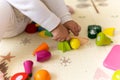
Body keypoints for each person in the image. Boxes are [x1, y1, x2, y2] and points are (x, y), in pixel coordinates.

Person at [0, 0, 81, 41]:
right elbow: (27, 3)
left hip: (26, 17)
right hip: (7, 26)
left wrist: (65, 18)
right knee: (2, 7)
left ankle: (51, 11)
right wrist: (55, 26)